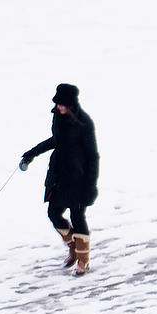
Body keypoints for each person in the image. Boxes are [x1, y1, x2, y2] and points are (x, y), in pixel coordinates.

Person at [21, 83, 99, 275]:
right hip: (59, 175)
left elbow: (92, 156)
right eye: (58, 104)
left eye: (63, 104)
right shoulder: (58, 117)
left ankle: (83, 261)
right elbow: (56, 140)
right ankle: (73, 248)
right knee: (54, 213)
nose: (59, 107)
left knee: (77, 216)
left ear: (72, 104)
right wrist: (32, 153)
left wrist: (91, 185)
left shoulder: (84, 124)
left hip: (79, 179)